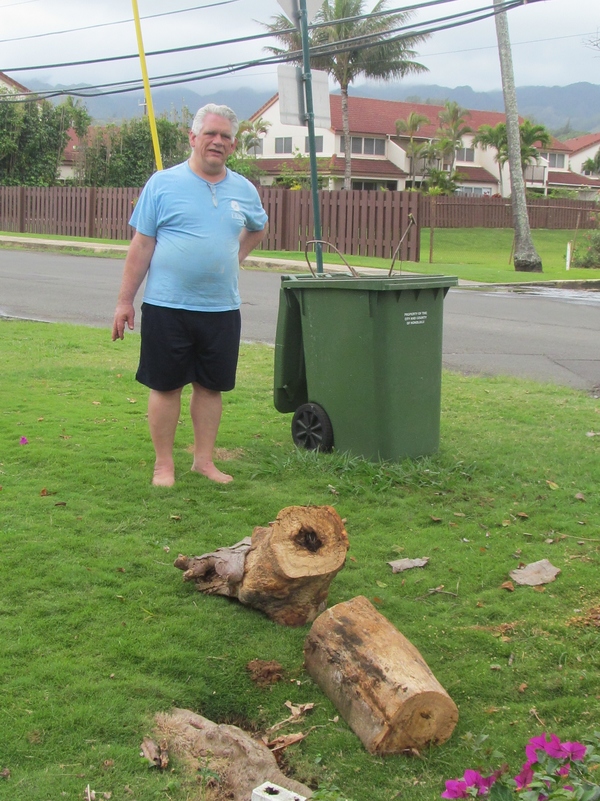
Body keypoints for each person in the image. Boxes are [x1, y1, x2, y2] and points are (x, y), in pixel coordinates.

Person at [112, 104, 268, 487]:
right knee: (165, 386)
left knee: (210, 387)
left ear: (233, 145)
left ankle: (204, 462)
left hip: (221, 308)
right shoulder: (162, 184)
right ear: (193, 138)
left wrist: (235, 256)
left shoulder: (243, 189)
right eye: (211, 134)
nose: (218, 142)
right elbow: (142, 244)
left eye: (226, 137)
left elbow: (257, 228)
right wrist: (124, 300)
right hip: (168, 306)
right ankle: (163, 465)